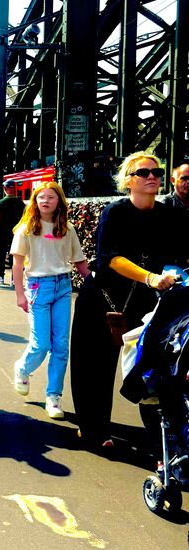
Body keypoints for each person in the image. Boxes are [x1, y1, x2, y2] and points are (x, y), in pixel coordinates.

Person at [70, 152, 184, 451]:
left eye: (157, 173)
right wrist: (150, 277)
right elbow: (110, 258)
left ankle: (162, 439)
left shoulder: (168, 215)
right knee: (95, 368)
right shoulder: (115, 212)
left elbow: (179, 256)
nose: (152, 177)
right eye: (143, 173)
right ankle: (93, 430)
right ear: (128, 181)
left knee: (153, 366)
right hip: (104, 298)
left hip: (145, 300)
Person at [10, 182, 91, 419]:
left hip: (63, 286)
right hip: (38, 287)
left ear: (59, 201)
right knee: (41, 344)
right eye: (41, 197)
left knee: (61, 346)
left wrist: (95, 282)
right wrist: (20, 294)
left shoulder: (68, 229)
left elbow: (79, 262)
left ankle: (53, 396)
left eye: (51, 197)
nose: (45, 201)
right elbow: (17, 264)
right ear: (34, 201)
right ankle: (23, 367)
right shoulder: (26, 229)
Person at [0, 180, 25, 284]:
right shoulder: (20, 203)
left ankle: (1, 276)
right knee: (15, 255)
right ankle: (14, 279)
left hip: (3, 232)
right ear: (14, 189)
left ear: (5, 189)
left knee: (2, 254)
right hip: (16, 232)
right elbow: (24, 218)